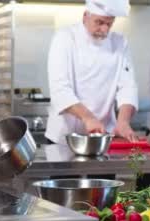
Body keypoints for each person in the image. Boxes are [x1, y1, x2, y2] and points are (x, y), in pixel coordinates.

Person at [45, 0, 139, 145]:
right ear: (85, 16)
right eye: (99, 22)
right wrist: (88, 117)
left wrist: (123, 122)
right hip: (65, 138)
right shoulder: (65, 38)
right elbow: (60, 90)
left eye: (109, 23)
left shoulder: (120, 42)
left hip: (102, 137)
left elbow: (127, 87)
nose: (105, 30)